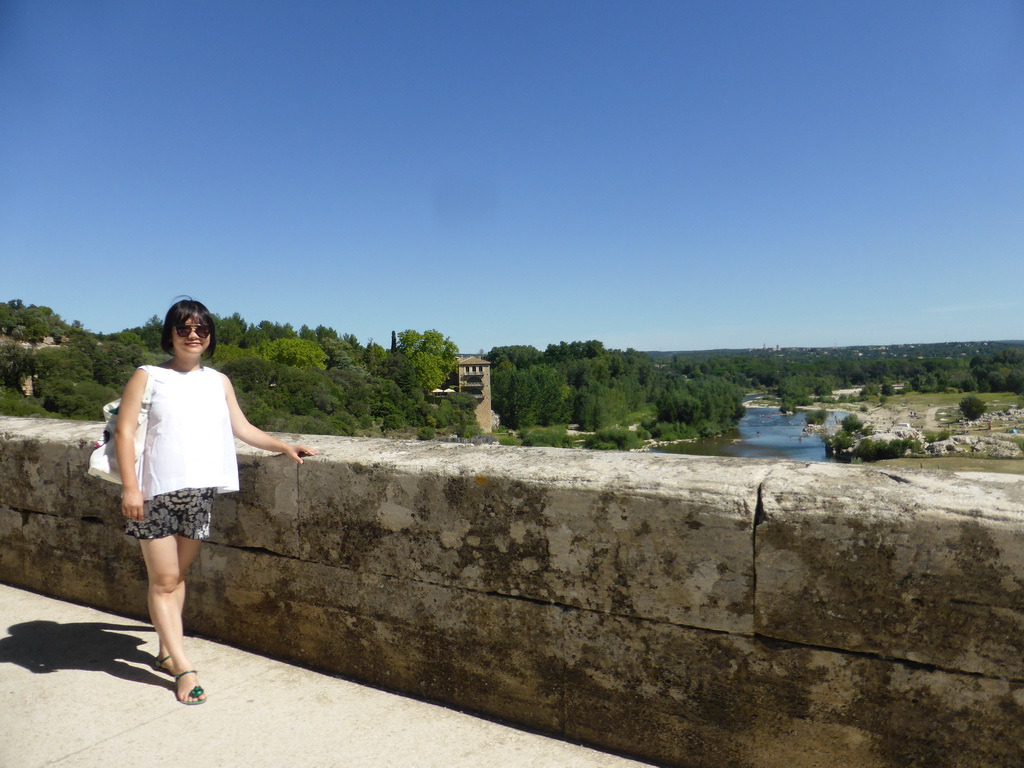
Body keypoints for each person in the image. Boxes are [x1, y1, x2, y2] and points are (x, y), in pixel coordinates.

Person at [115, 298, 318, 704]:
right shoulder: (148, 376)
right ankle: (184, 668)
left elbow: (241, 426)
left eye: (201, 330)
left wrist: (283, 445)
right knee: (164, 580)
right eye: (184, 328)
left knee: (177, 579)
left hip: (199, 490)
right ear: (170, 334)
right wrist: (130, 487)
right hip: (154, 492)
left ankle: (165, 648)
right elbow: (123, 432)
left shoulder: (218, 381)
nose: (193, 335)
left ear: (210, 337)